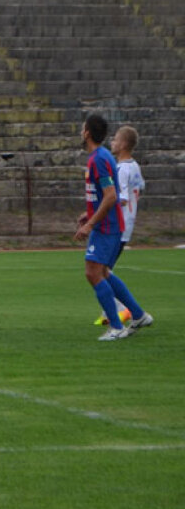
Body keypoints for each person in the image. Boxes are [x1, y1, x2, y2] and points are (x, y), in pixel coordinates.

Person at [73, 113, 153, 341]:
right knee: (103, 273)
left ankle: (116, 327)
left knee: (93, 273)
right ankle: (138, 315)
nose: (81, 132)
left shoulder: (98, 159)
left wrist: (90, 224)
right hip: (108, 224)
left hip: (106, 227)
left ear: (87, 133)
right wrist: (89, 214)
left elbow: (110, 196)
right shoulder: (103, 156)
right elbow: (108, 194)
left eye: (83, 128)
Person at [95, 124, 146, 326]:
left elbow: (120, 198)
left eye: (115, 139)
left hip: (118, 227)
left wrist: (98, 212)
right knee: (103, 269)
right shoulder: (134, 166)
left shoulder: (121, 169)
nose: (112, 142)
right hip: (127, 225)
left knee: (101, 271)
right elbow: (140, 187)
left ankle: (122, 310)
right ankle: (112, 311)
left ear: (123, 144)